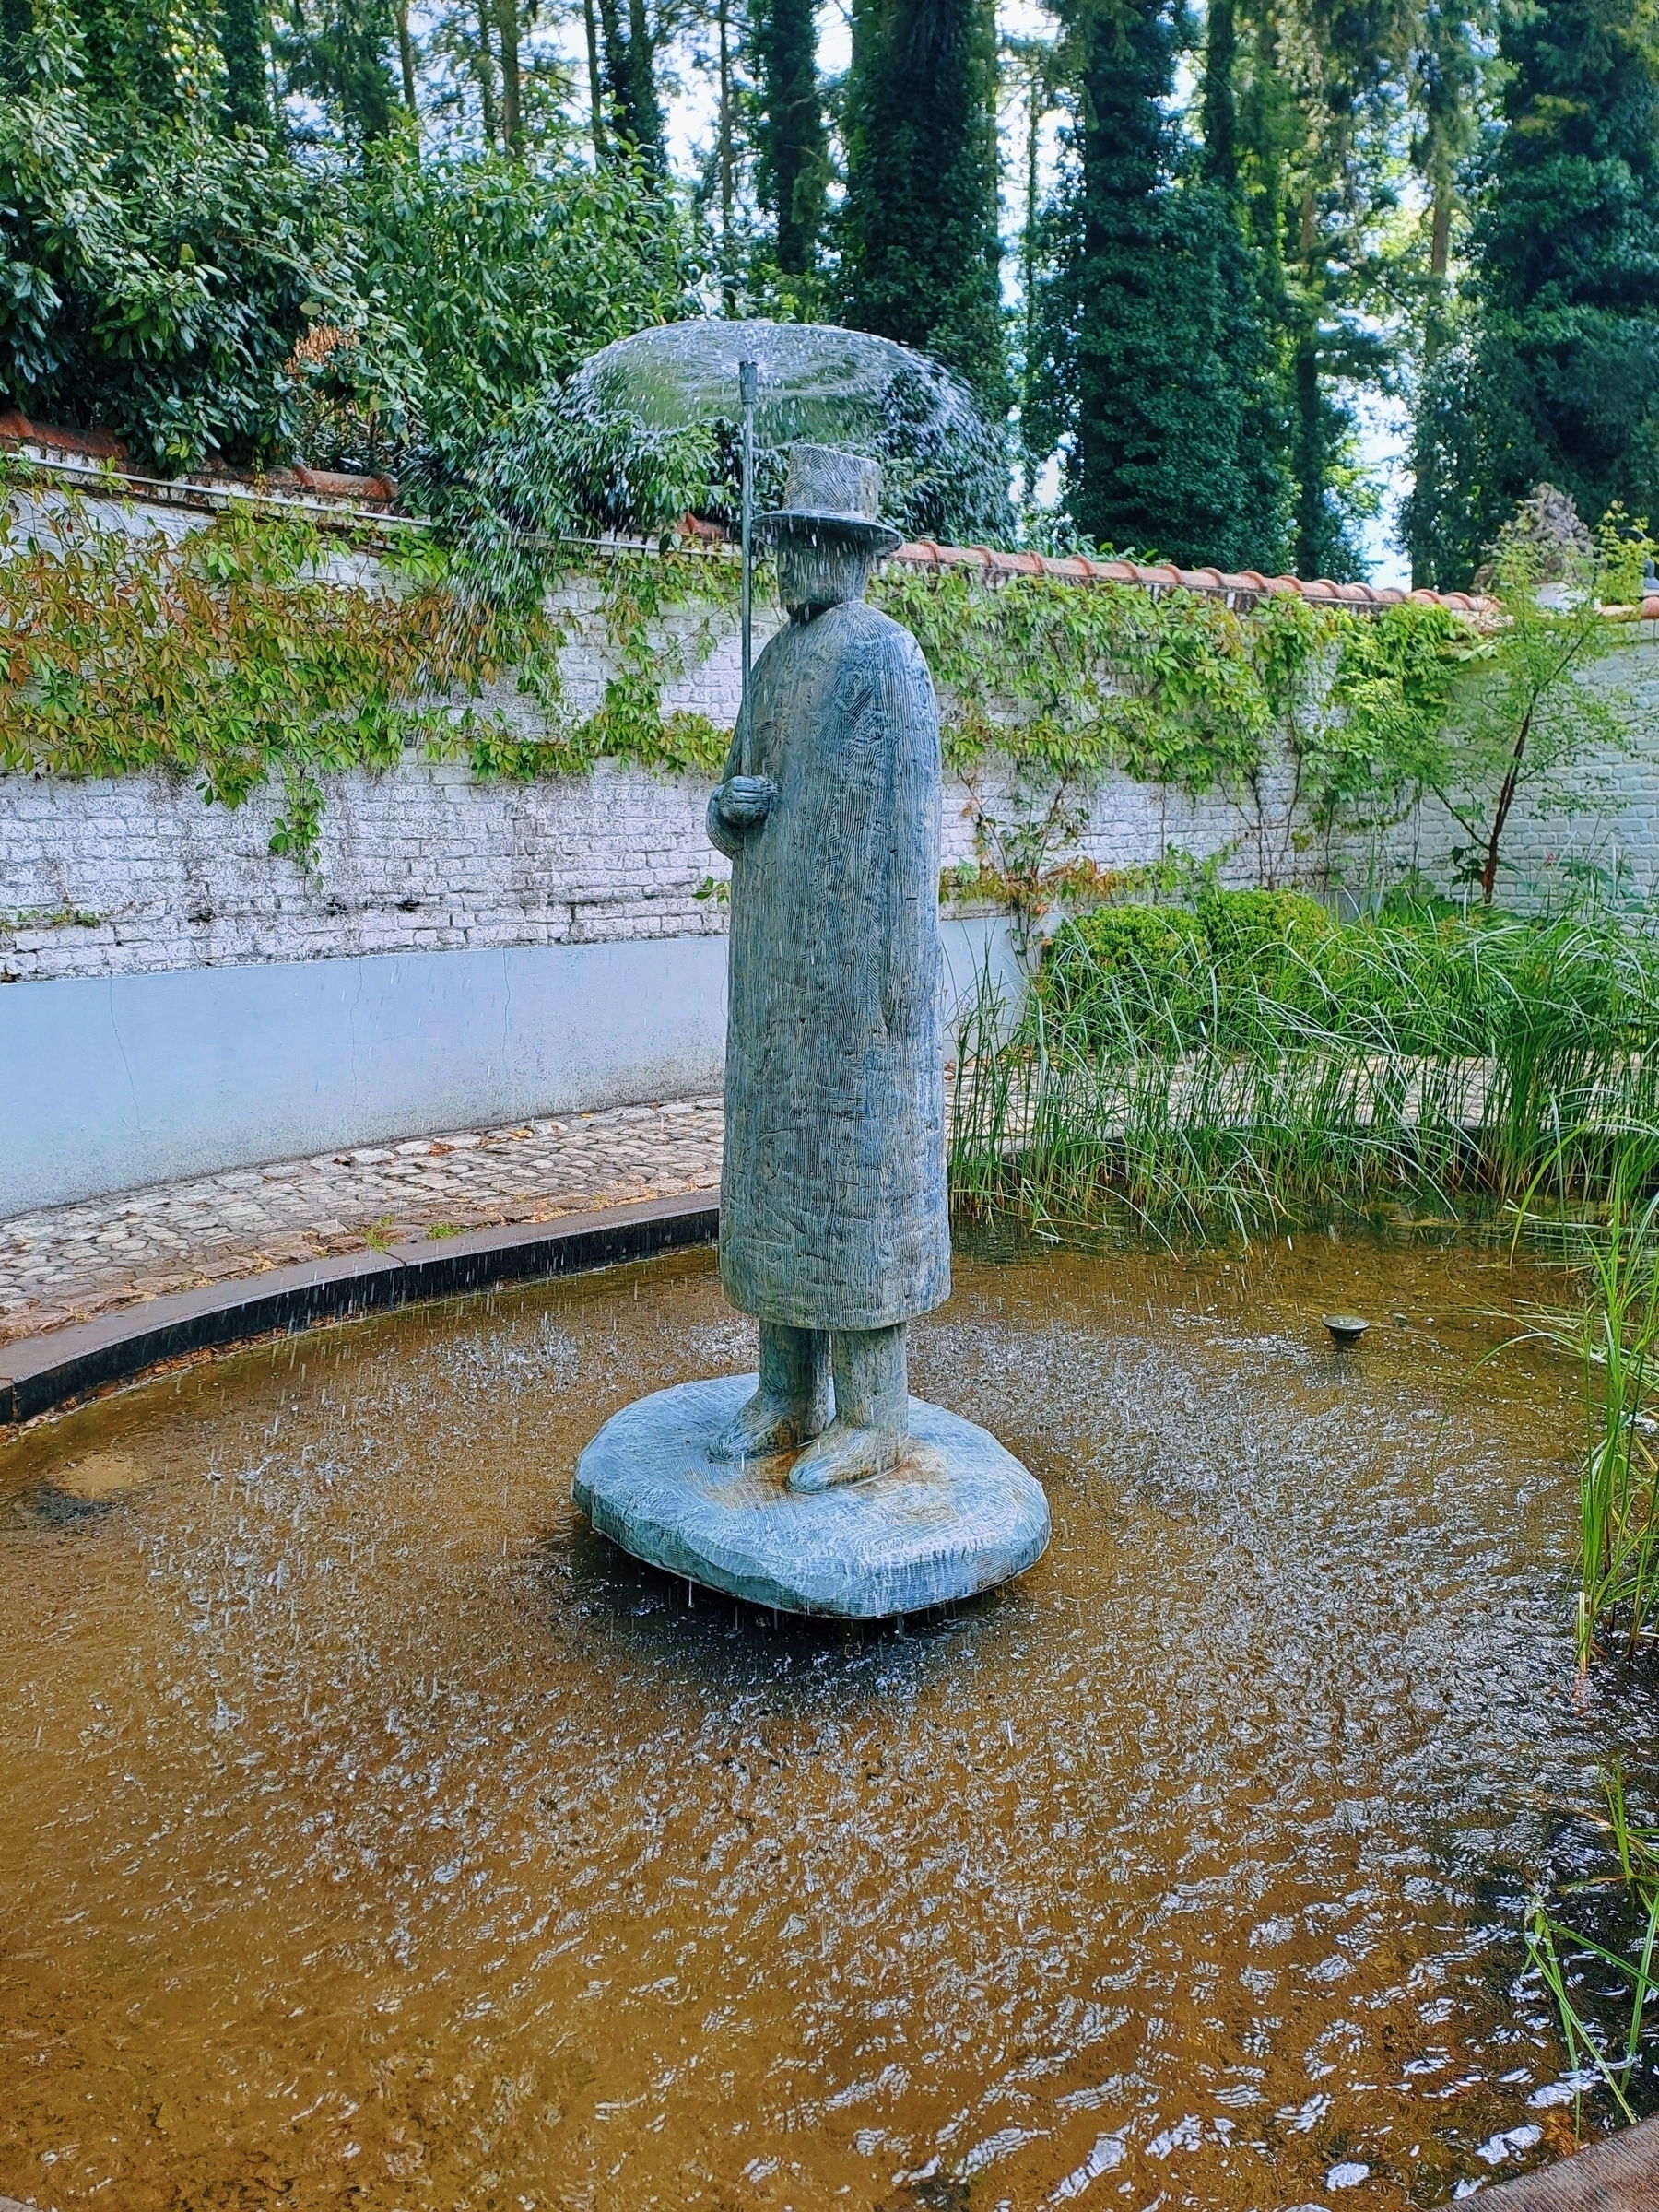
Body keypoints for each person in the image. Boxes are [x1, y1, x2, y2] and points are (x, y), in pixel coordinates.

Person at [706, 444, 950, 1491]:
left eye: (809, 542)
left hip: (855, 981)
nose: (790, 560)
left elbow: (908, 829)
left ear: (851, 554)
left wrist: (900, 981)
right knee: (776, 1173)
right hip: (773, 971)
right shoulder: (772, 661)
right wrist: (731, 811)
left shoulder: (886, 658)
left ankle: (875, 1411)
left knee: (854, 1182)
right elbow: (731, 797)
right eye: (784, 542)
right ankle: (783, 1389)